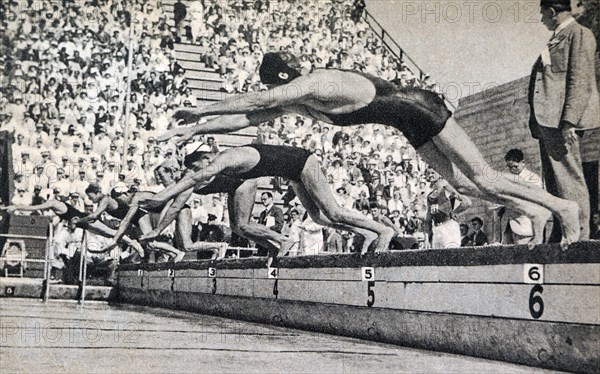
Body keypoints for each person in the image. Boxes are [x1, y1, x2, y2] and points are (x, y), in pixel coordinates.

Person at [161, 51, 581, 248]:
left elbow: (257, 103)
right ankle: (539, 210)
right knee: (469, 189)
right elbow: (249, 118)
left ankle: (563, 209)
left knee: (482, 176)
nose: (279, 95)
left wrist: (201, 106)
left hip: (422, 107)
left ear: (283, 78)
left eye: (277, 87)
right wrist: (196, 124)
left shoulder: (316, 83)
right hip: (406, 122)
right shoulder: (300, 96)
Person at [140, 145, 396, 259]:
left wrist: (162, 195)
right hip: (292, 172)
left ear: (206, 158)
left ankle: (382, 230)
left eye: (197, 167)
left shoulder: (225, 158)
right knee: (319, 217)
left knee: (333, 210)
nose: (196, 173)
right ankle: (365, 232)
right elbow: (178, 202)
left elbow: (199, 177)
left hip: (304, 162)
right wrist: (156, 228)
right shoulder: (213, 165)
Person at [528, 0, 599, 242]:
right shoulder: (559, 36)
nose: (541, 20)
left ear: (551, 11)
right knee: (555, 180)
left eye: (542, 15)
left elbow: (580, 80)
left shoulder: (579, 34)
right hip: (548, 121)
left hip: (560, 121)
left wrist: (570, 121)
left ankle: (578, 233)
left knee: (569, 177)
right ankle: (562, 229)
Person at [1, 200, 144, 258]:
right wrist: (11, 207)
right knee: (110, 235)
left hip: (87, 221)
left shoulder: (53, 203)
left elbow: (35, 208)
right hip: (84, 224)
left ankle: (134, 243)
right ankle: (134, 244)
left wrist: (18, 207)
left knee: (111, 233)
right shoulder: (57, 205)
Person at [500, 149, 550, 244]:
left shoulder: (533, 179)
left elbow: (530, 199)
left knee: (525, 257)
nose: (512, 170)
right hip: (508, 226)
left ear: (523, 163)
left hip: (525, 226)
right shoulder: (510, 178)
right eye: (509, 167)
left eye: (515, 166)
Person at [423, 168, 471, 249]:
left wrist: (455, 212)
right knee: (437, 259)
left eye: (433, 173)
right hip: (437, 230)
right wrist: (426, 238)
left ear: (439, 173)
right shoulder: (430, 196)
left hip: (448, 227)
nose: (430, 175)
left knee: (451, 256)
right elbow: (428, 218)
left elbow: (467, 202)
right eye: (428, 173)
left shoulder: (446, 187)